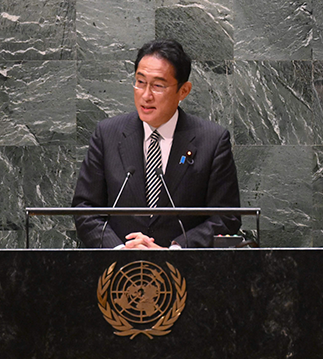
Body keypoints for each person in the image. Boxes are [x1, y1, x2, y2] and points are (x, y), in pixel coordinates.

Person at [72, 39, 241, 249]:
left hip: (185, 270)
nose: (146, 95)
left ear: (184, 91)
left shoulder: (213, 141)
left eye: (158, 86)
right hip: (118, 273)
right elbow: (85, 208)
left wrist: (175, 250)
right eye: (140, 82)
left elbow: (226, 217)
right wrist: (119, 250)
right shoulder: (107, 134)